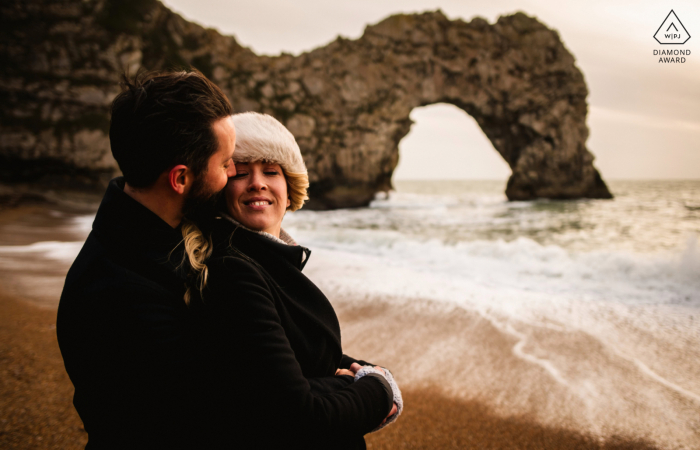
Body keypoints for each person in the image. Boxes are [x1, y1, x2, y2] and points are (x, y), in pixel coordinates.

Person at [184, 112, 403, 449]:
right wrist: (378, 388)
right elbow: (297, 411)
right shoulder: (234, 273)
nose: (257, 182)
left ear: (289, 191)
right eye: (241, 173)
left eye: (271, 171)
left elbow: (303, 359)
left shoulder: (269, 262)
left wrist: (366, 373)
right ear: (221, 191)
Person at [56, 69, 237, 449]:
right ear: (180, 179)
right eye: (225, 164)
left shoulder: (165, 234)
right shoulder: (120, 294)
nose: (234, 174)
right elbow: (221, 408)